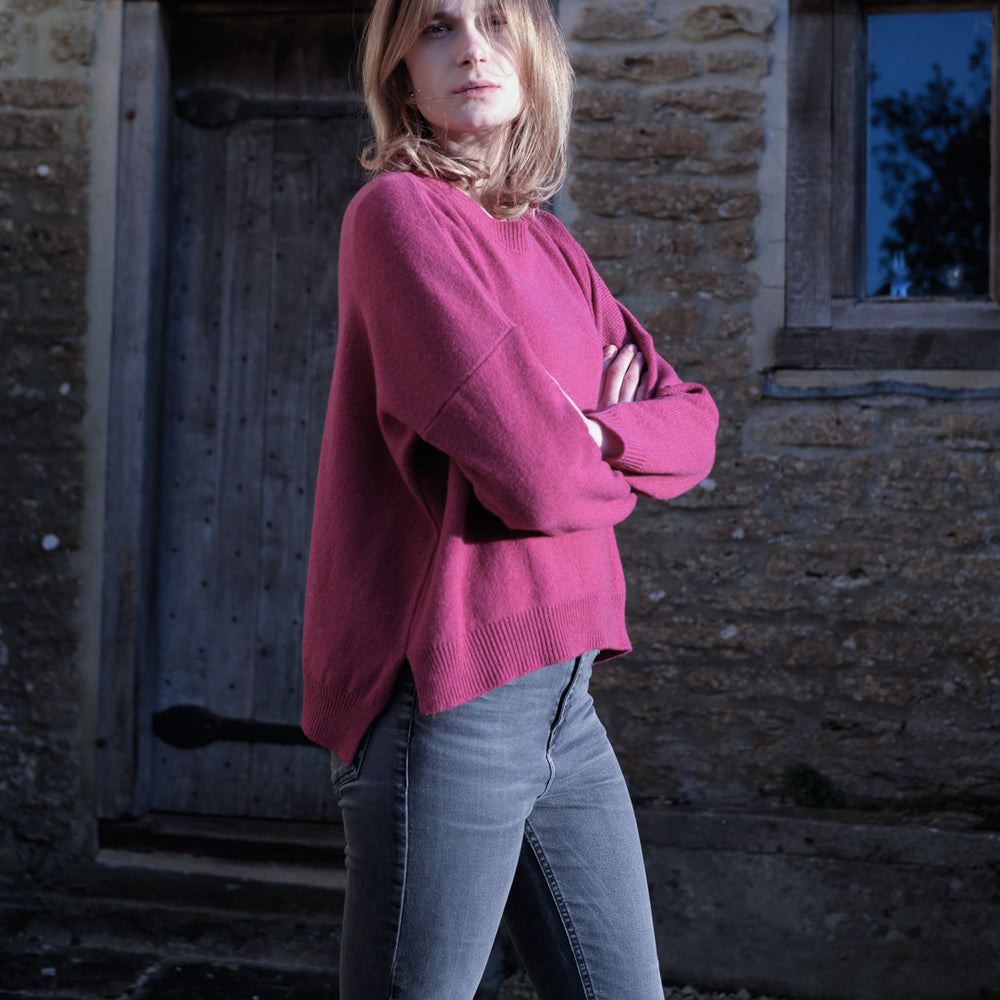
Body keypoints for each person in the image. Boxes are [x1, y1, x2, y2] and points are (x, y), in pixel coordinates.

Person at [301, 1, 719, 997]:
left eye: (495, 20)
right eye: (437, 28)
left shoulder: (553, 248)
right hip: (451, 699)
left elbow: (695, 426)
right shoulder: (399, 218)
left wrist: (596, 434)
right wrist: (588, 445)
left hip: (566, 702)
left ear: (535, 54)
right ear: (401, 70)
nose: (471, 50)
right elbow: (532, 475)